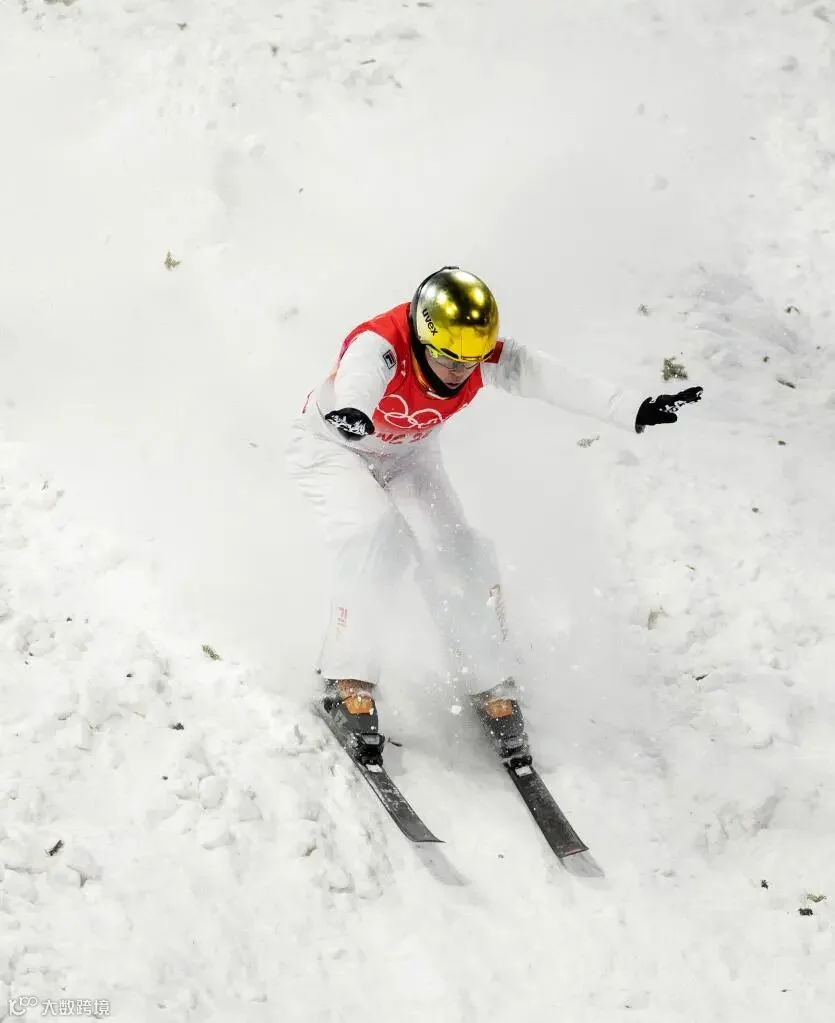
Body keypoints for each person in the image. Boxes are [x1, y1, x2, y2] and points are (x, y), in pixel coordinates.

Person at [286, 266, 702, 767]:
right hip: (337, 445)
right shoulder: (383, 344)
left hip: (408, 454)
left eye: (470, 362)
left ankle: (487, 678)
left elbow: (552, 377)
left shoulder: (481, 356)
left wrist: (633, 407)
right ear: (422, 339)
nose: (458, 373)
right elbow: (361, 373)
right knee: (378, 534)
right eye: (447, 360)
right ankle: (346, 678)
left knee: (459, 549)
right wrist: (355, 409)